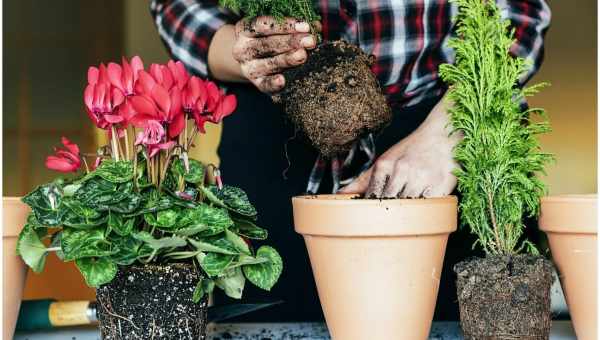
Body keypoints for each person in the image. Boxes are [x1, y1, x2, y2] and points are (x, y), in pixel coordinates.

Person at [150, 0, 551, 321]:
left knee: (449, 316)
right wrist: (248, 51)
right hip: (275, 146)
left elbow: (518, 13)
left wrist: (451, 131)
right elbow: (179, 8)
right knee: (269, 319)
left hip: (441, 139)